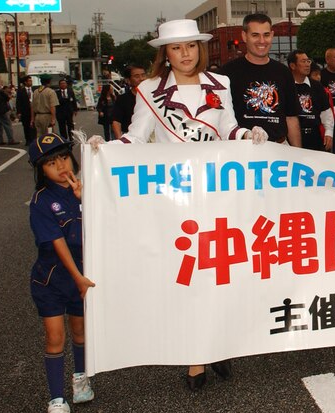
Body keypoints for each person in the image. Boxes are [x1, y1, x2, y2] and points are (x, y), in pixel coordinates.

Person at [89, 19, 270, 389]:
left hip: (217, 193)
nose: (185, 54)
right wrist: (103, 150)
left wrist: (248, 134)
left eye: (190, 46)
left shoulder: (220, 84)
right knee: (187, 276)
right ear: (165, 53)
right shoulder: (150, 90)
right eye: (176, 48)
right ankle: (194, 358)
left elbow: (229, 129)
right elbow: (137, 138)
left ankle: (218, 345)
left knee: (219, 272)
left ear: (200, 48)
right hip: (176, 198)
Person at [27, 133, 95, 413]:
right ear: (41, 170)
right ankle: (57, 402)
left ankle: (80, 377)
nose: (61, 166)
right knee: (55, 337)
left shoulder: (87, 188)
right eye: (52, 163)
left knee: (80, 332)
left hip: (82, 278)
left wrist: (83, 199)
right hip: (53, 280)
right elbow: (57, 243)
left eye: (64, 158)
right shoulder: (42, 201)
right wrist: (78, 277)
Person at [221, 13, 301, 146]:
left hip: (280, 148)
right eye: (255, 35)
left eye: (266, 35)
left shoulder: (284, 72)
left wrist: (298, 155)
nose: (262, 41)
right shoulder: (227, 73)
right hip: (241, 150)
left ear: (272, 35)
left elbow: (291, 117)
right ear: (244, 36)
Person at [287, 50, 334, 151]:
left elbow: (326, 112)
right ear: (293, 65)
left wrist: (329, 133)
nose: (307, 65)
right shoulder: (285, 86)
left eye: (308, 61)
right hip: (291, 139)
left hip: (314, 138)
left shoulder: (317, 86)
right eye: (303, 61)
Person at [112, 64, 147, 139]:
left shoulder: (154, 97)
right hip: (131, 138)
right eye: (137, 76)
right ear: (128, 80)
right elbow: (116, 122)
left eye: (143, 75)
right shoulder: (122, 99)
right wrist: (120, 140)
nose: (141, 79)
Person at [0, 77, 17, 145]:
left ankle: (0, 140)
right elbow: (7, 98)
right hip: (2, 110)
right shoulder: (0, 91)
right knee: (7, 125)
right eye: (0, 82)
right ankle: (11, 140)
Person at [17, 76, 36, 144]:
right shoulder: (21, 91)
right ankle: (28, 139)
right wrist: (18, 112)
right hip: (25, 111)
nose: (31, 82)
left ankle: (34, 139)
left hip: (34, 110)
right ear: (25, 82)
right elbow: (18, 102)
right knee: (26, 125)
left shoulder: (34, 90)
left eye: (31, 81)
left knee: (34, 125)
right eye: (29, 81)